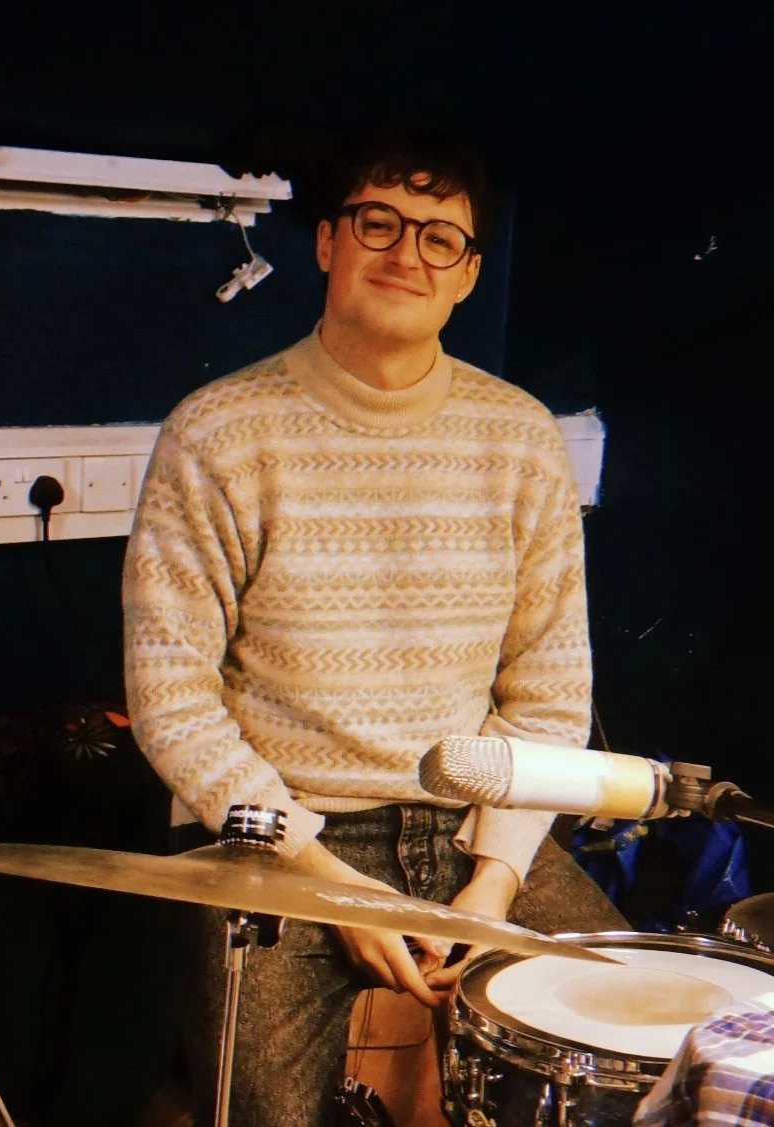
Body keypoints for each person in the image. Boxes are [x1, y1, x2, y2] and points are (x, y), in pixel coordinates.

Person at [122, 123, 626, 1127]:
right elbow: (171, 699)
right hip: (278, 838)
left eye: (440, 236)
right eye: (378, 223)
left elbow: (548, 693)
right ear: (327, 242)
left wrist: (493, 881)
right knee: (261, 1111)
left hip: (470, 824)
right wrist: (326, 882)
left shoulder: (520, 439)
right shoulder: (217, 432)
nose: (407, 254)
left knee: (629, 1061)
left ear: (468, 273)